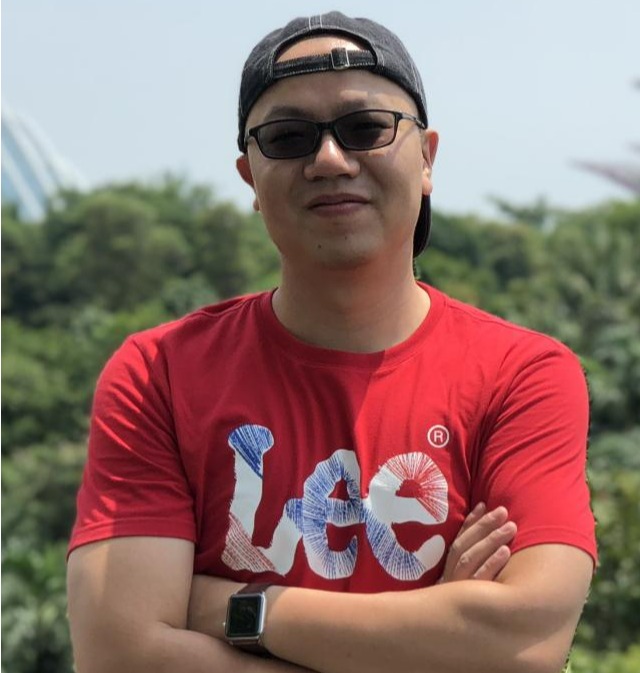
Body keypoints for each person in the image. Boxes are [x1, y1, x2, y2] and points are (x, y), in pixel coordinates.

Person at [67, 11, 597, 673]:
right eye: (288, 137)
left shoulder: (522, 375)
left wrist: (233, 608)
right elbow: (120, 654)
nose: (328, 159)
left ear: (427, 158)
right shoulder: (160, 374)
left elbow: (523, 645)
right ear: (250, 177)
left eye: (365, 128)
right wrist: (436, 632)